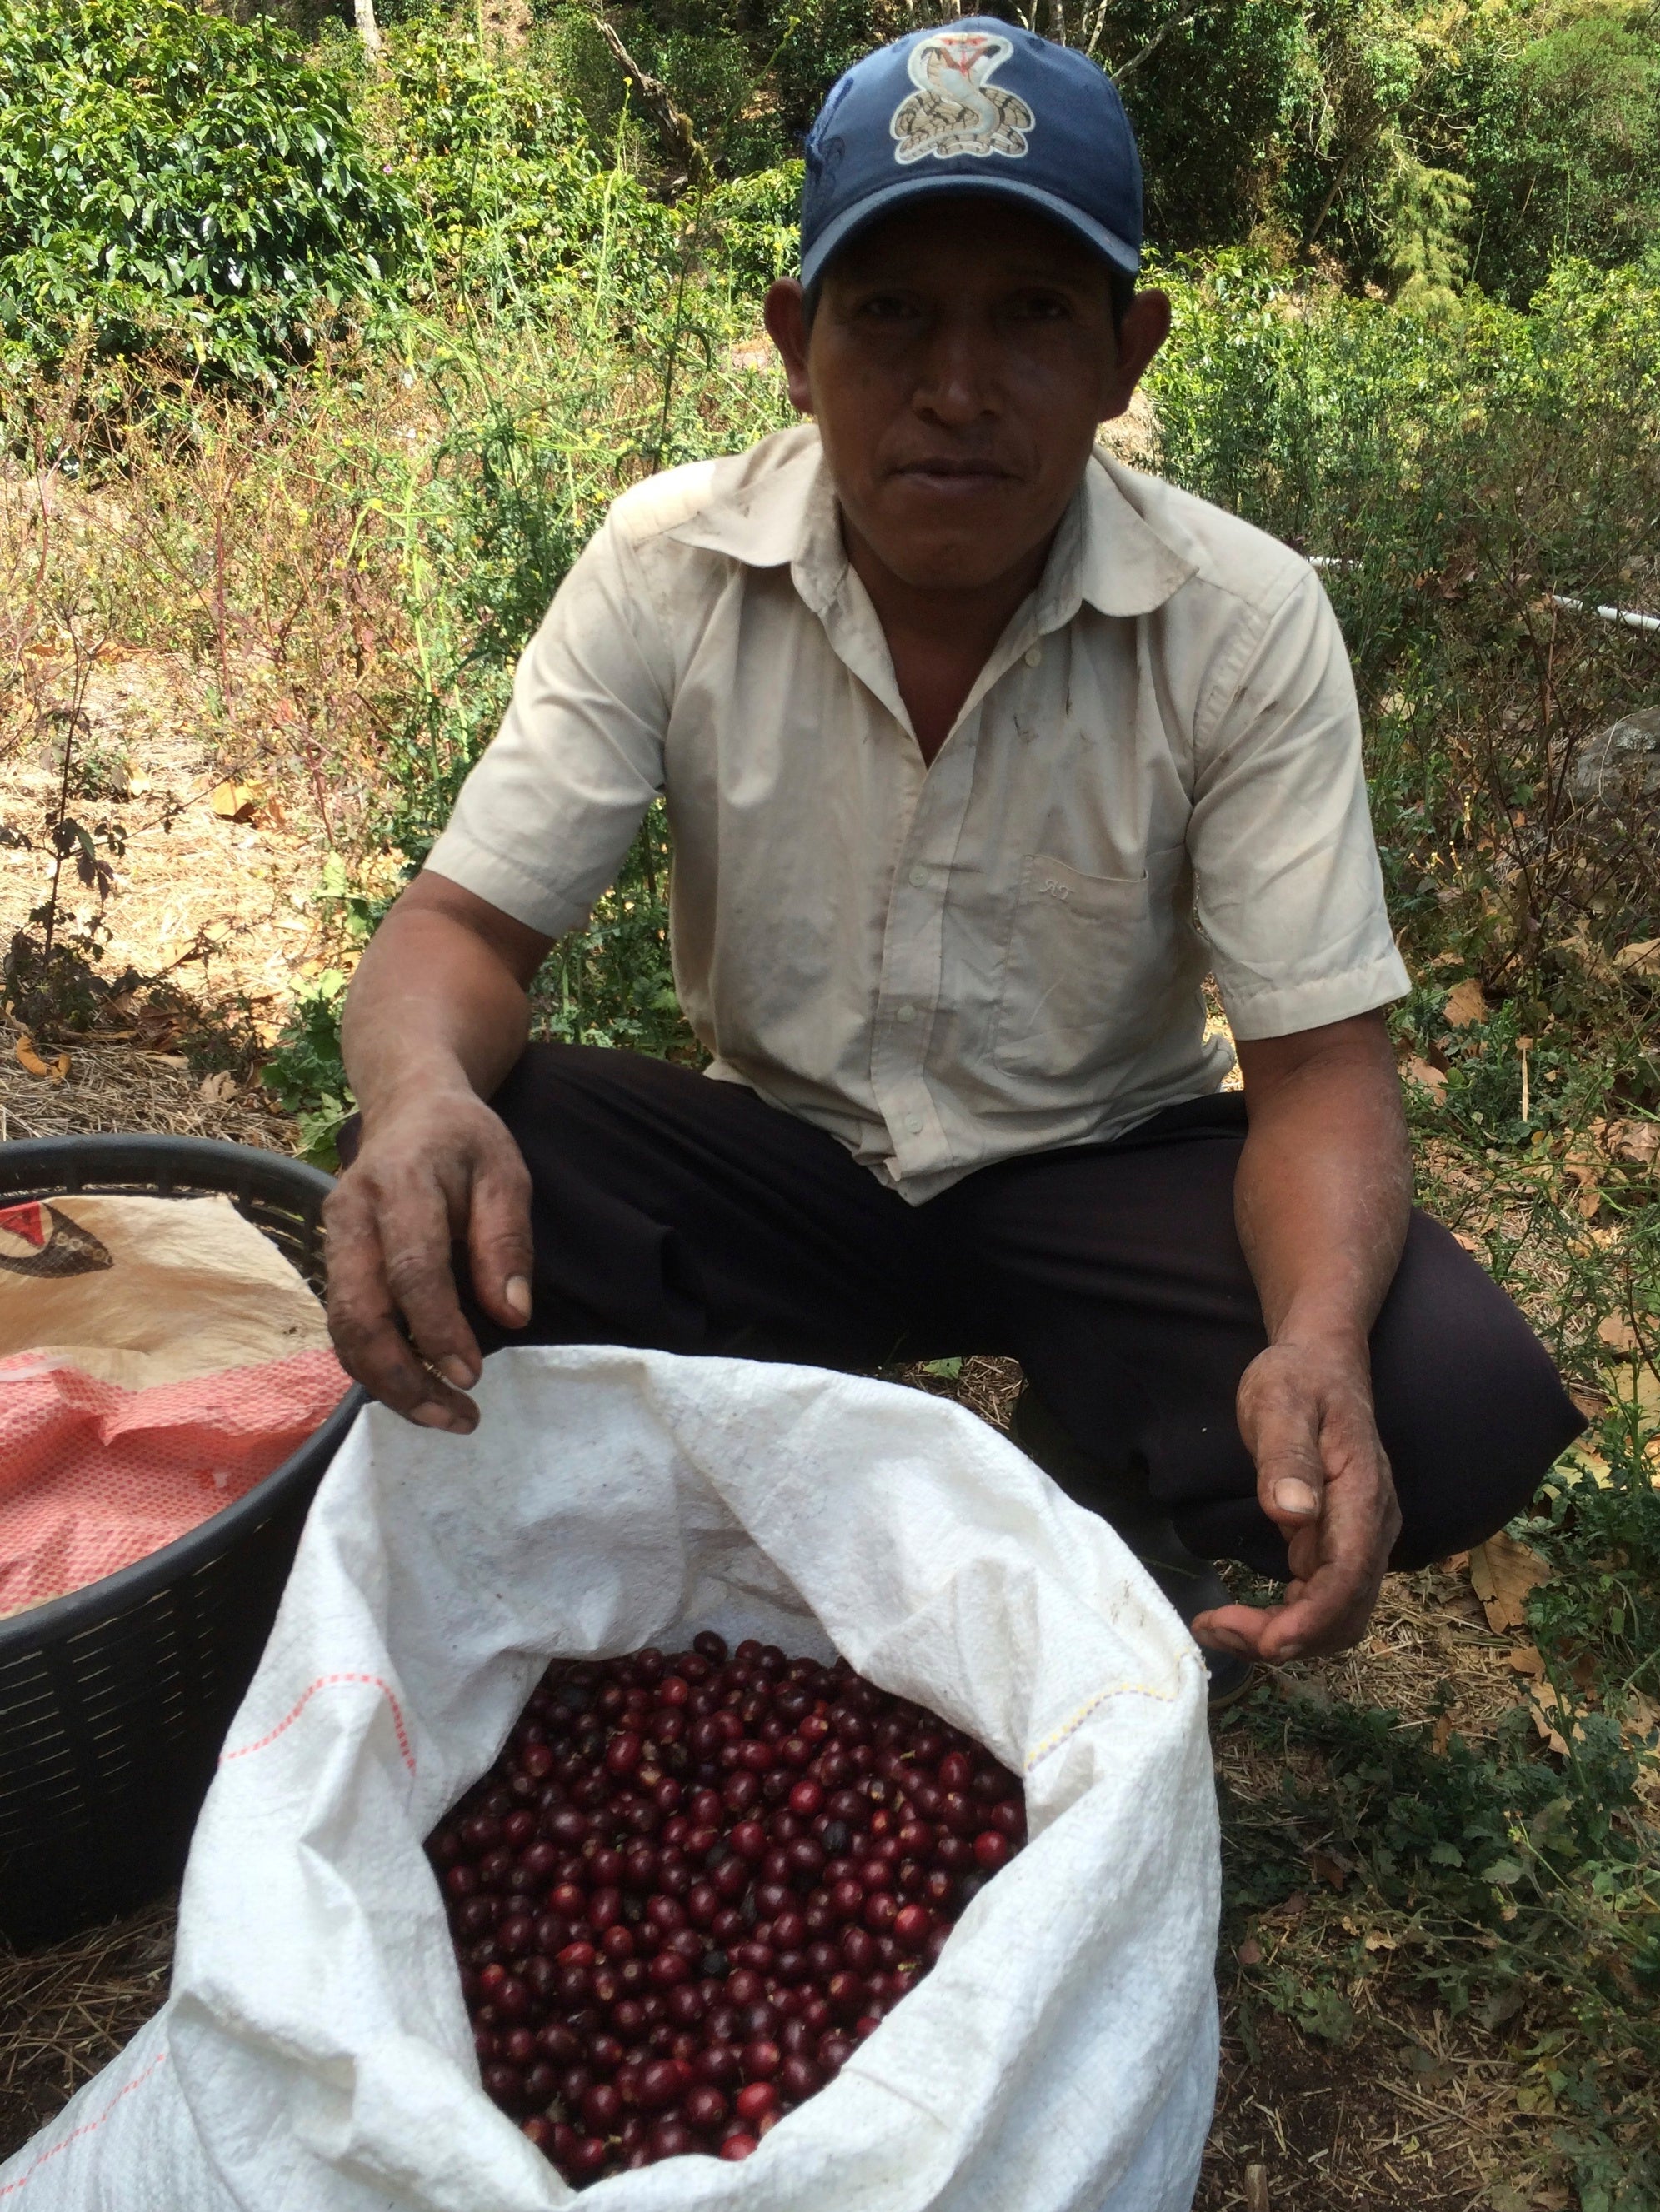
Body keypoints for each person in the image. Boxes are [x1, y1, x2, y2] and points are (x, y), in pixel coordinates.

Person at [323, 20, 1582, 1698]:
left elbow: (1316, 1072)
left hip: (1096, 1167)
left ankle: (1092, 1463)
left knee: (1445, 1392)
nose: (957, 388)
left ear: (1127, 353)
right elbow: (459, 932)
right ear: (795, 339)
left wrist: (1313, 1340)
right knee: (454, 1173)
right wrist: (420, 1100)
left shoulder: (1239, 619)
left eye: (1033, 316)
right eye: (892, 311)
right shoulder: (665, 565)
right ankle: (729, 1487)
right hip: (782, 1164)